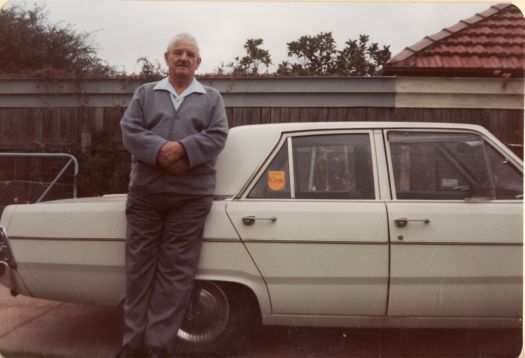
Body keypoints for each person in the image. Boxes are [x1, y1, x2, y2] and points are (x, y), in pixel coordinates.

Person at [118, 33, 229, 358]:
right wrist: (160, 151)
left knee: (176, 273)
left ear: (198, 62)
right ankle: (131, 346)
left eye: (190, 54)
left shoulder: (211, 99)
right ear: (166, 58)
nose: (183, 58)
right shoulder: (145, 93)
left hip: (190, 199)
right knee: (139, 271)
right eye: (177, 52)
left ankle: (157, 347)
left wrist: (182, 148)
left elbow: (218, 135)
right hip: (146, 196)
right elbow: (130, 130)